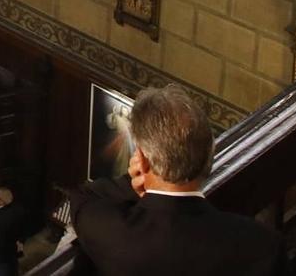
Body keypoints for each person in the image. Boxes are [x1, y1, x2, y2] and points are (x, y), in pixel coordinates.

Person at [70, 84, 277, 276]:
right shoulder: (262, 246)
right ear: (208, 157)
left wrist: (134, 185)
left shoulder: (111, 233)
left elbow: (84, 197)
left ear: (141, 162)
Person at [0, 184, 26, 276]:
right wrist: (20, 242)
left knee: (2, 270)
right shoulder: (19, 209)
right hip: (14, 248)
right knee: (13, 267)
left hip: (1, 255)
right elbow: (23, 229)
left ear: (1, 201)